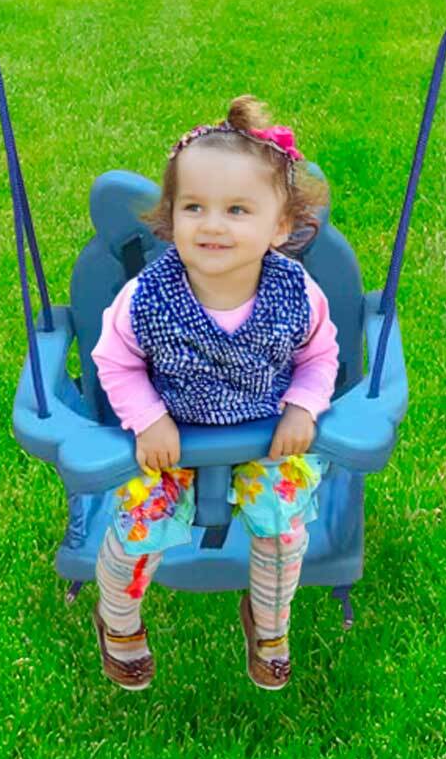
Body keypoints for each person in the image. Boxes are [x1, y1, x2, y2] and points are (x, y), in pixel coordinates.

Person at [90, 97, 340, 693]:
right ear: (171, 217)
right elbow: (114, 361)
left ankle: (269, 623)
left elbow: (321, 356)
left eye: (237, 210)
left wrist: (304, 405)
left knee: (283, 524)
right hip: (170, 440)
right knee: (138, 523)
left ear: (280, 227)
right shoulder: (147, 297)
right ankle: (117, 620)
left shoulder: (296, 293)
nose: (212, 224)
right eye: (193, 207)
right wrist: (148, 419)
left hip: (263, 436)